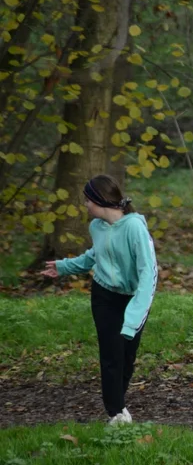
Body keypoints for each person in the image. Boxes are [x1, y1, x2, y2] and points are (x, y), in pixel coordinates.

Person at [39, 175, 157, 425]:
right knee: (111, 354)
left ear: (99, 200)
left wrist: (135, 315)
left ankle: (118, 405)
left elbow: (149, 273)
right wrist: (64, 267)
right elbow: (95, 255)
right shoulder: (97, 227)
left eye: (87, 200)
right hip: (104, 296)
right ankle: (116, 412)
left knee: (126, 357)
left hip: (133, 298)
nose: (85, 205)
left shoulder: (134, 228)